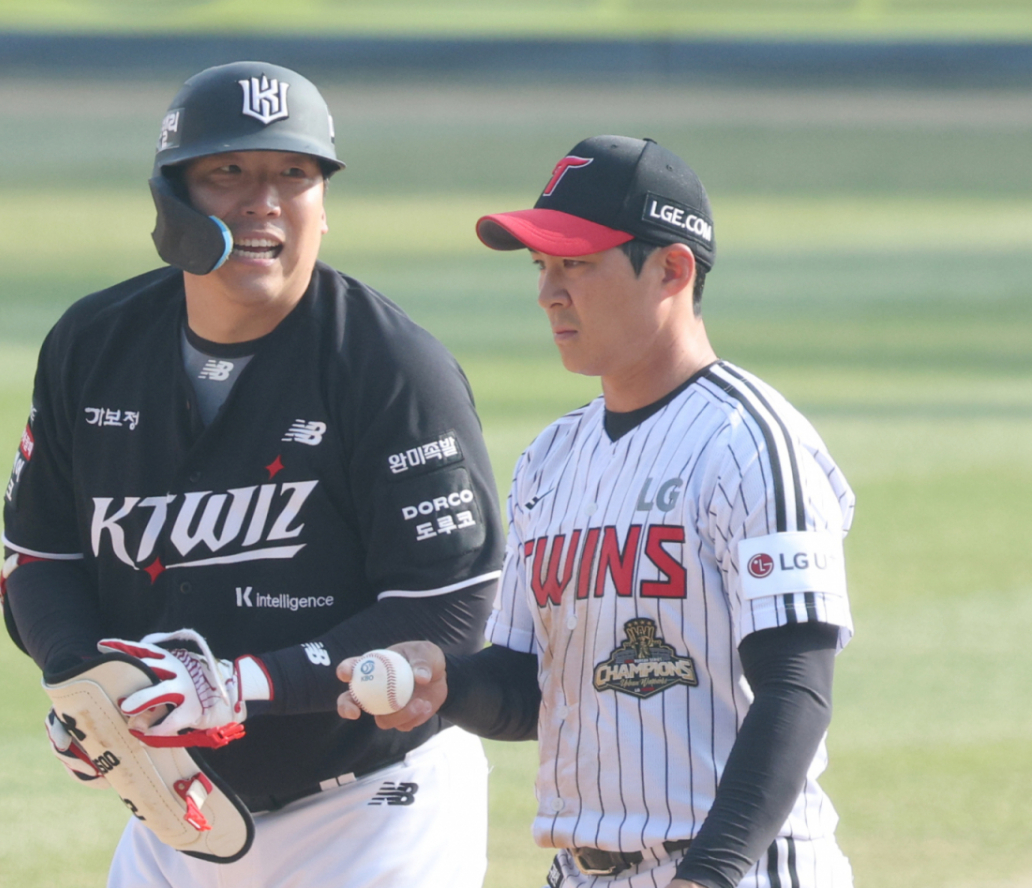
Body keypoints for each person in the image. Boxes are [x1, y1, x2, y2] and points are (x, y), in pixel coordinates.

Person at [0, 61, 503, 888]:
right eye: (228, 172)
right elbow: (40, 557)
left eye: (294, 174)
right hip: (180, 807)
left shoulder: (389, 368)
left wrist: (238, 687)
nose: (264, 201)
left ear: (323, 205)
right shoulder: (93, 346)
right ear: (172, 200)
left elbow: (447, 607)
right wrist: (89, 693)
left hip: (376, 805)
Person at [337, 135, 856, 888]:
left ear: (672, 269)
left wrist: (708, 876)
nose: (549, 293)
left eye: (575, 264)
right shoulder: (551, 458)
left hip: (742, 869)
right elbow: (528, 687)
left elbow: (796, 691)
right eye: (541, 266)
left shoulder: (750, 444)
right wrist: (448, 683)